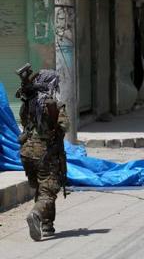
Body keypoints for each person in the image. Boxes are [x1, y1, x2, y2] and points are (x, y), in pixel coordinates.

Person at [18, 69, 69, 241]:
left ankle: (47, 225)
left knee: (42, 188)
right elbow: (64, 126)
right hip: (45, 153)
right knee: (49, 190)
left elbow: (24, 122)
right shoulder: (52, 104)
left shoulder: (29, 102)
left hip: (26, 152)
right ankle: (36, 215)